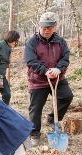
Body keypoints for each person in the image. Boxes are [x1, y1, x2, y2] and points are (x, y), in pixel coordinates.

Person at [24, 12, 73, 146]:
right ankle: (34, 134)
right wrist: (45, 71)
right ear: (39, 26)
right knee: (36, 108)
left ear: (54, 27)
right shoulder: (32, 42)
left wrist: (58, 69)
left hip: (57, 78)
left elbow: (65, 57)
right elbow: (30, 61)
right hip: (38, 80)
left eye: (50, 28)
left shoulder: (60, 41)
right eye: (44, 27)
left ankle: (51, 119)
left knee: (67, 96)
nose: (46, 30)